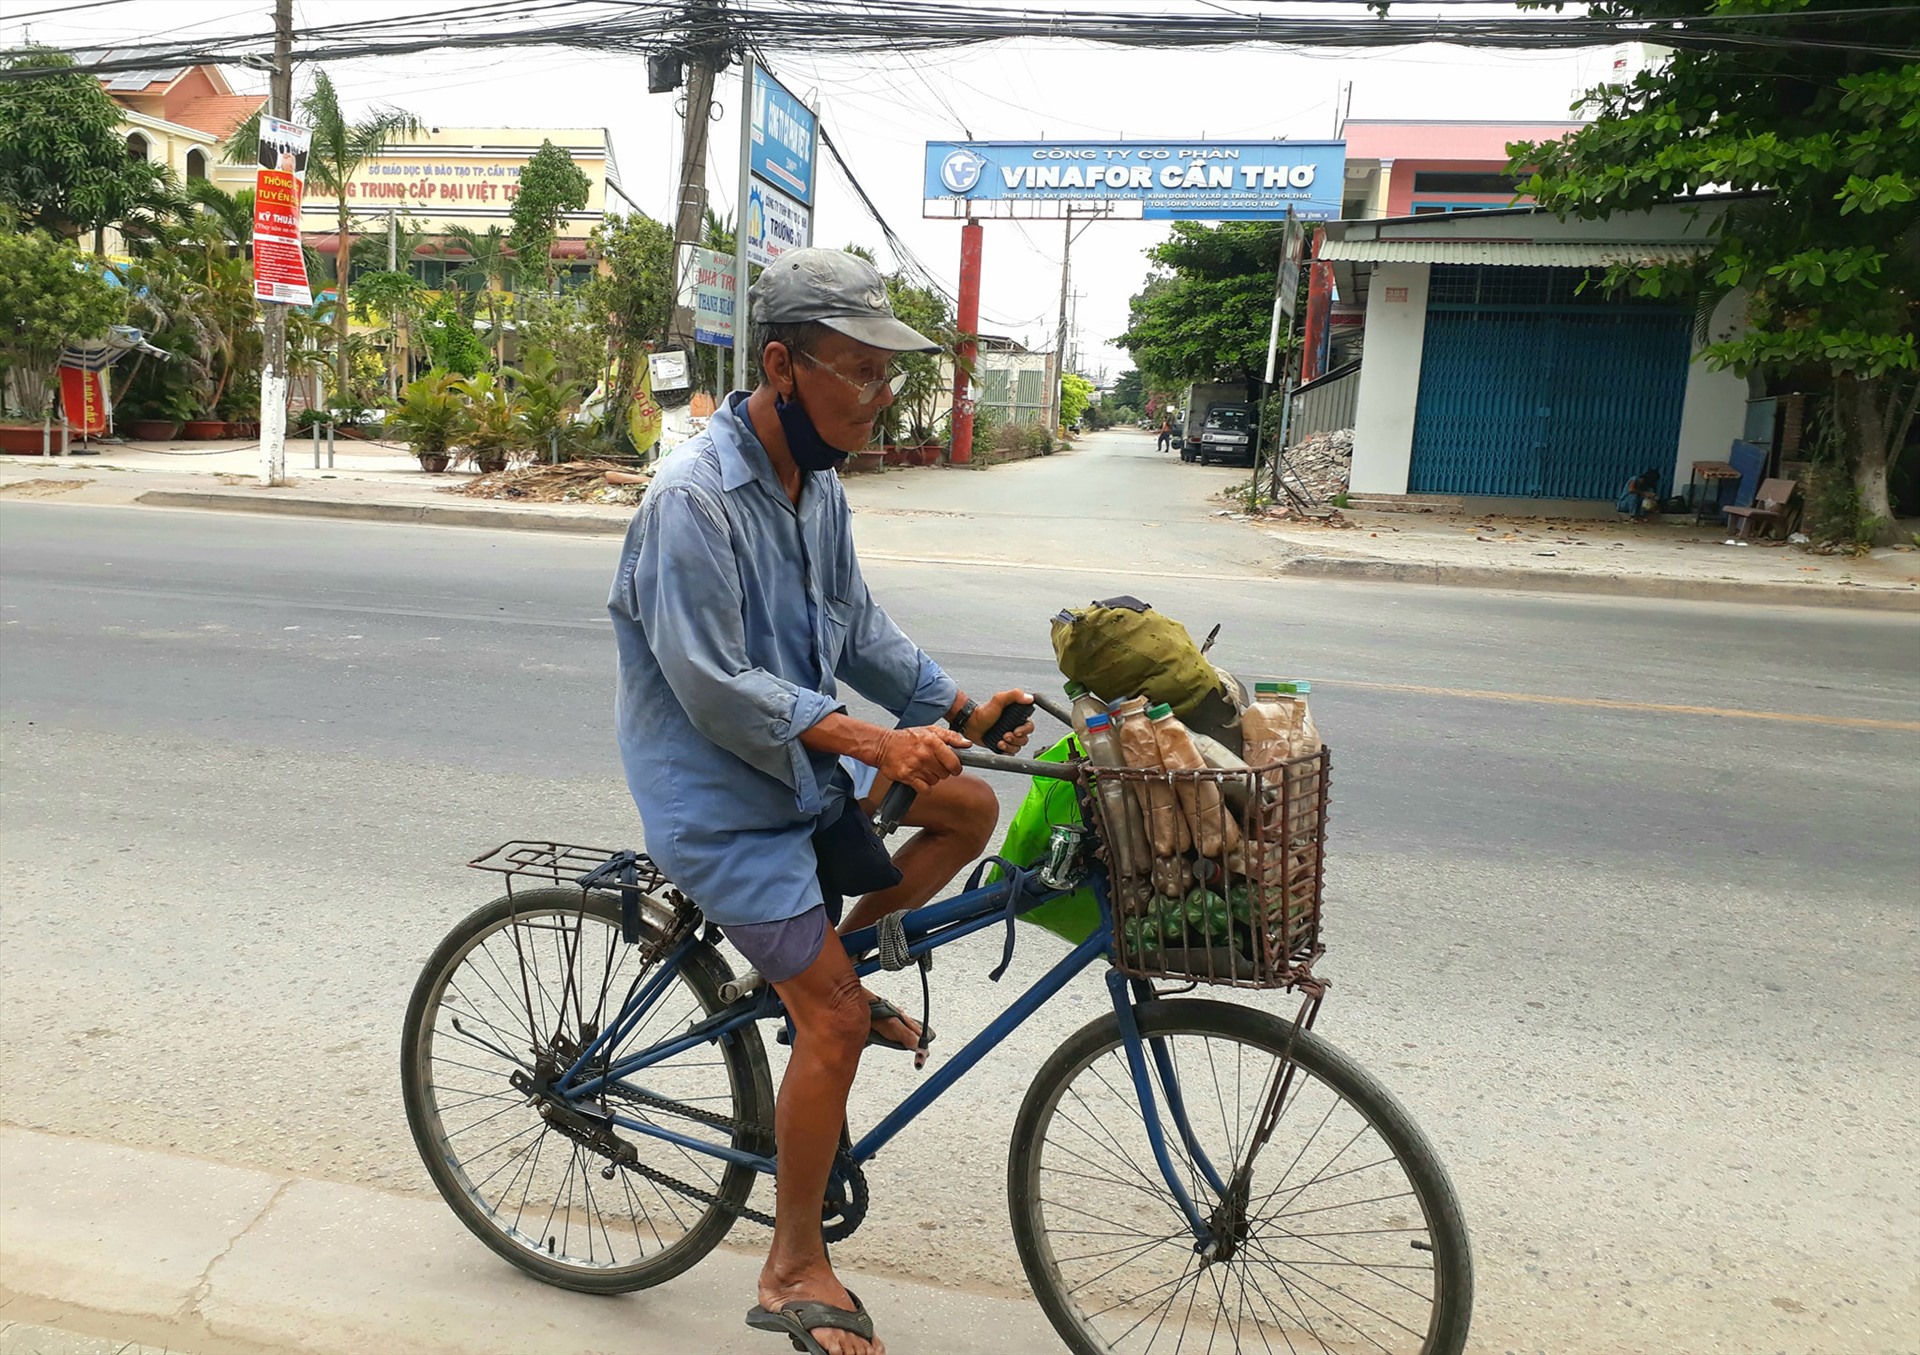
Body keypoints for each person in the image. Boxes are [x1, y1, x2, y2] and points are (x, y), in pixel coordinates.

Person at [608, 248, 1034, 1355]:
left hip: (802, 771)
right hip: (719, 801)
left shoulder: (820, 488)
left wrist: (955, 703)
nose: (879, 395)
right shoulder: (692, 500)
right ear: (785, 365)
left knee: (969, 812)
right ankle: (793, 1258)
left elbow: (855, 626)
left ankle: (822, 970)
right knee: (839, 1017)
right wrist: (872, 737)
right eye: (859, 371)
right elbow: (712, 686)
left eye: (888, 376)